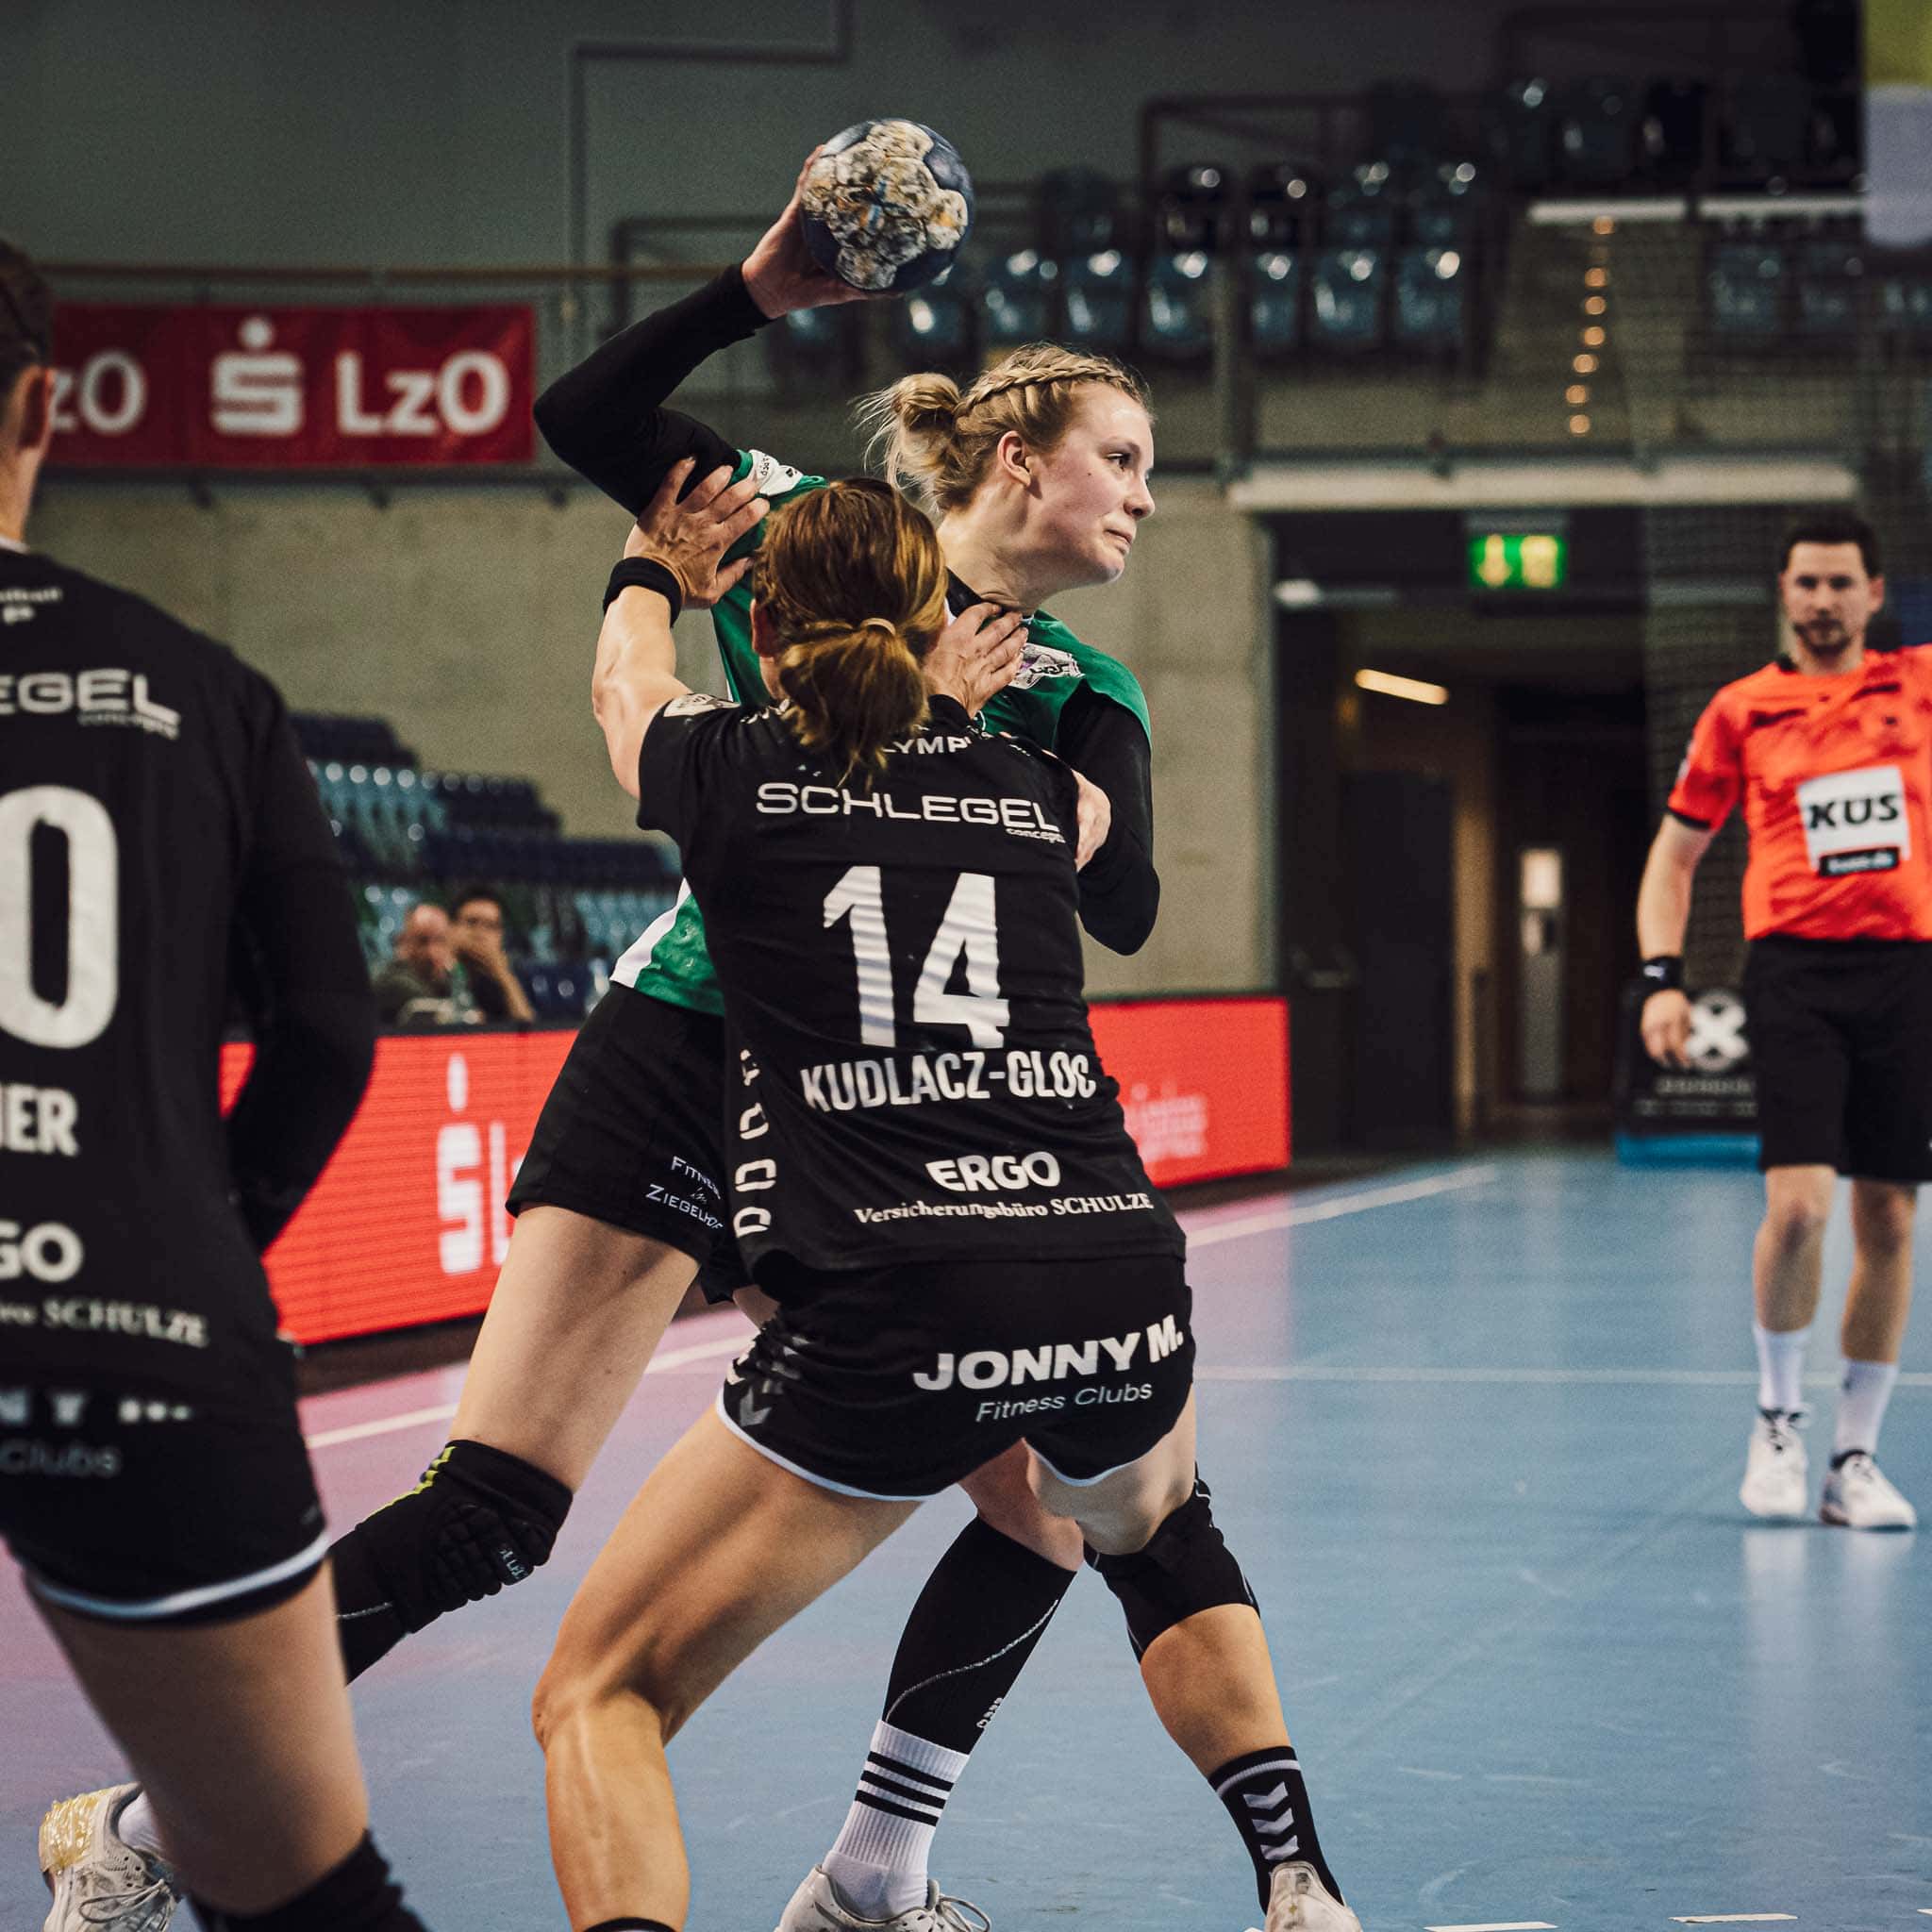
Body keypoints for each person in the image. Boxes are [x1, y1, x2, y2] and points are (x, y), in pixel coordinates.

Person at [35, 156, 1169, 1928]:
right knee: (494, 1507)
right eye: (1127, 458)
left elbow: (1128, 904)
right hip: (689, 1048)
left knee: (1043, 1513)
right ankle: (144, 1825)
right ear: (1020, 460)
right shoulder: (796, 527)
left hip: (892, 1112)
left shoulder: (1081, 688)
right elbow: (584, 414)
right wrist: (760, 291)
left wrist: (972, 741)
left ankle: (875, 1877)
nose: (1146, 498)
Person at [528, 467, 1357, 1932]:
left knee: (603, 1692)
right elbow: (1099, 842)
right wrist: (957, 707)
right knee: (1153, 1534)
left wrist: (652, 567)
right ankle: (1299, 1886)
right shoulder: (1039, 794)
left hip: (897, 1291)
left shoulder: (720, 769)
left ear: (765, 631)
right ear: (934, 624)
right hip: (1113, 1277)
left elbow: (622, 687)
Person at [0, 240, 433, 1932]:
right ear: (42, 407)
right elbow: (327, 1031)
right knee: (302, 1887)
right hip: (134, 1321)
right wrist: (197, 1239)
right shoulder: (201, 685)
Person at [1639, 508, 1924, 1530]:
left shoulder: (1917, 686)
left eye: (1841, 582)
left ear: (1873, 594)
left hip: (1907, 972)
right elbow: (1674, 857)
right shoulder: (1740, 709)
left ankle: (1854, 1460)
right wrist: (1660, 977)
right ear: (1783, 593)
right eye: (1806, 582)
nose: (1822, 599)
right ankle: (1776, 1422)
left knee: (1889, 1218)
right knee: (1799, 1208)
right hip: (1795, 971)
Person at [448, 884, 536, 1024]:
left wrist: (503, 975)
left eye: (491, 926)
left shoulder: (502, 983)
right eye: (472, 922)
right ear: (451, 928)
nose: (480, 934)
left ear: (501, 935)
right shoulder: (436, 972)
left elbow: (526, 1024)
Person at [371, 900, 456, 1024]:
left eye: (440, 940)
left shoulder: (445, 980)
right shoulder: (395, 983)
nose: (431, 952)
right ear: (405, 942)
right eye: (422, 941)